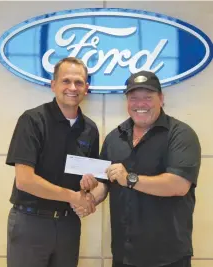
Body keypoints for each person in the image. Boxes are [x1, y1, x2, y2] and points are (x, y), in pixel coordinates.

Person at [72, 70, 201, 267]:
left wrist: (130, 179)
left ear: (161, 99)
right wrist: (90, 198)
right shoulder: (114, 138)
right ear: (127, 102)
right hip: (124, 254)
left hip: (167, 256)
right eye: (134, 98)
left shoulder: (181, 134)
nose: (140, 104)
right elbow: (105, 183)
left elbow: (179, 184)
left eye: (147, 98)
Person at [6, 57, 99, 267]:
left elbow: (89, 179)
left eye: (79, 82)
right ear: (53, 84)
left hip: (68, 225)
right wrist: (73, 196)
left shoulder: (90, 129)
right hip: (31, 223)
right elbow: (25, 181)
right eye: (66, 81)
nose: (72, 88)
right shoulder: (32, 120)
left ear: (86, 88)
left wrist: (88, 187)